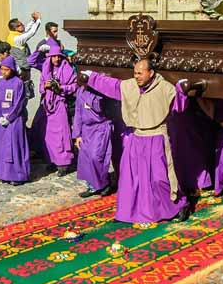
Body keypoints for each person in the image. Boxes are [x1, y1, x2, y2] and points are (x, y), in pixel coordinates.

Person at [81, 59, 191, 223]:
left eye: (140, 73)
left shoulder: (165, 88)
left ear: (151, 73)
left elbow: (178, 106)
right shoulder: (130, 86)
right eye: (135, 73)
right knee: (129, 177)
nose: (136, 76)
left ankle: (176, 207)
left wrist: (182, 91)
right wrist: (92, 77)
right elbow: (112, 85)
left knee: (159, 178)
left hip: (156, 137)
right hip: (136, 137)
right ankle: (127, 213)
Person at [30, 44, 76, 175]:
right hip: (47, 105)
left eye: (58, 56)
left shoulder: (66, 68)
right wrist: (45, 86)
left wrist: (61, 88)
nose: (56, 59)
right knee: (49, 135)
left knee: (61, 134)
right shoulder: (46, 68)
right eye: (53, 56)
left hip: (60, 104)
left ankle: (64, 163)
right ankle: (52, 160)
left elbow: (74, 86)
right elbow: (40, 86)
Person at [73, 84, 115, 197]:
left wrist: (89, 97)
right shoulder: (80, 91)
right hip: (86, 129)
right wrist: (77, 134)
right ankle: (92, 186)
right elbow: (78, 112)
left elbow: (99, 107)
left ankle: (104, 183)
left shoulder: (100, 90)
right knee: (86, 158)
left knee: (96, 157)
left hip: (100, 128)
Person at [0, 56, 30, 185]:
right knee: (3, 147)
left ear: (12, 69)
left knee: (15, 146)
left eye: (6, 70)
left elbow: (20, 103)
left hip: (14, 120)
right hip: (2, 119)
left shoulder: (18, 83)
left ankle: (18, 175)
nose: (3, 72)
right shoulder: (1, 83)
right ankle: (4, 173)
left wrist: (9, 117)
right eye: (2, 69)